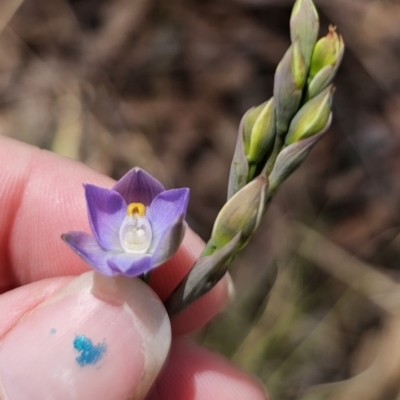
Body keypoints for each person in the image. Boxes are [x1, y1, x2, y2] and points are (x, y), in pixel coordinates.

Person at [0, 136, 267, 400]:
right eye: (132, 215)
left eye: (139, 214)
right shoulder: (106, 240)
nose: (136, 217)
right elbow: (79, 240)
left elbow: (164, 217)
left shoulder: (167, 226)